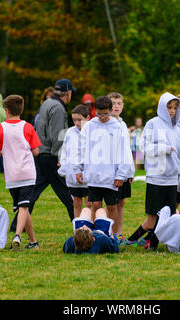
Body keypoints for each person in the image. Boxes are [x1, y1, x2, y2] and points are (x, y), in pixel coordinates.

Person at [120, 92, 180, 250]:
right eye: (169, 107)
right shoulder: (153, 124)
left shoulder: (175, 127)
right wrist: (165, 149)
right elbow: (143, 147)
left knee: (169, 216)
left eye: (175, 108)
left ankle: (153, 243)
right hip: (156, 178)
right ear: (162, 107)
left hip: (172, 179)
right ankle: (133, 239)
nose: (172, 111)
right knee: (153, 216)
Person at [74, 96, 133, 234]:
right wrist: (78, 169)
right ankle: (96, 233)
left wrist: (122, 174)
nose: (102, 117)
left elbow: (125, 152)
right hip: (94, 175)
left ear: (111, 110)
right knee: (94, 205)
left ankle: (111, 234)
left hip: (111, 176)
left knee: (112, 206)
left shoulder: (118, 127)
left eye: (105, 114)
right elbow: (81, 149)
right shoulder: (89, 126)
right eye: (99, 114)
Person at [0, 94, 41, 250]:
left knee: (22, 207)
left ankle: (27, 240)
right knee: (24, 208)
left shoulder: (0, 128)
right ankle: (26, 239)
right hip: (27, 172)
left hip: (12, 174)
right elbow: (36, 151)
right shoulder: (28, 127)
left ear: (6, 110)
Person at [31, 78, 76, 223]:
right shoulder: (58, 107)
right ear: (67, 93)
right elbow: (57, 135)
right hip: (51, 155)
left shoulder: (47, 103)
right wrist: (60, 157)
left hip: (41, 152)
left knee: (34, 191)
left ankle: (17, 224)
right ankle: (78, 221)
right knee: (66, 192)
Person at [108, 92, 135, 238]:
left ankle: (119, 234)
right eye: (113, 103)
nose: (116, 106)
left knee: (122, 202)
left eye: (119, 103)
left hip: (124, 170)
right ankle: (110, 233)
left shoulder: (123, 124)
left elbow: (127, 150)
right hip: (112, 170)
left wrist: (130, 172)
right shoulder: (107, 124)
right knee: (111, 204)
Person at [57, 104, 91, 218]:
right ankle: (77, 228)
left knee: (89, 203)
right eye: (74, 120)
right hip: (73, 174)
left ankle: (89, 228)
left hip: (88, 173)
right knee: (76, 202)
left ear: (88, 118)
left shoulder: (93, 132)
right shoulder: (70, 132)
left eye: (79, 120)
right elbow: (65, 150)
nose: (77, 123)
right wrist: (63, 162)